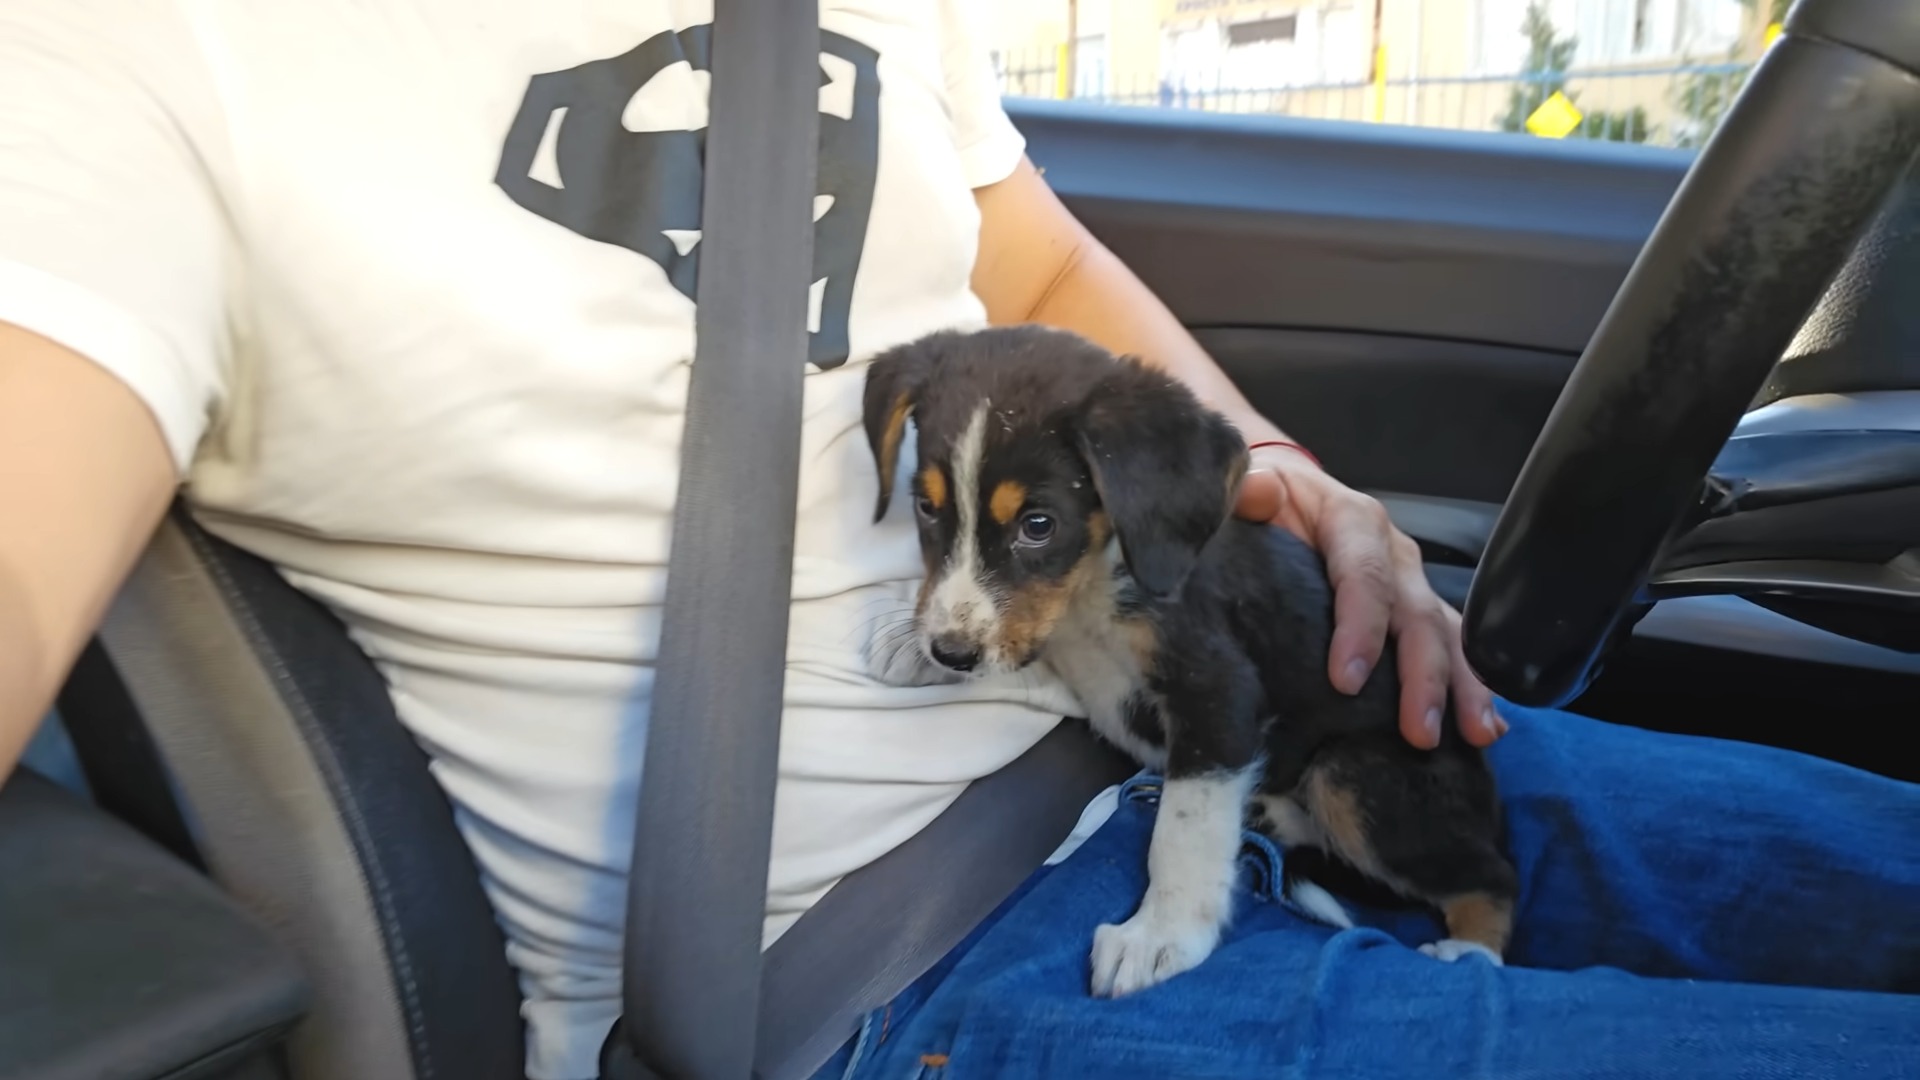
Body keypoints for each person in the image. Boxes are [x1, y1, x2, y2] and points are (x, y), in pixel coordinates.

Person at [0, 3, 1912, 1079]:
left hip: (1179, 720)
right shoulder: (118, 60)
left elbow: (1044, 266)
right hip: (877, 967)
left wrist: (1287, 482)